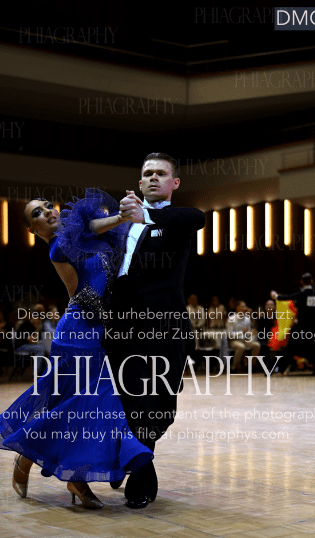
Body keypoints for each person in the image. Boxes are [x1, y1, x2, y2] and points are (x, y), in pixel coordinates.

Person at [0, 194, 153, 509]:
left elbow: (96, 231)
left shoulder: (83, 234)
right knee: (90, 404)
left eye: (47, 205)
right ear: (34, 230)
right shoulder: (59, 247)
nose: (47, 211)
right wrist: (122, 217)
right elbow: (83, 295)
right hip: (78, 333)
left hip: (95, 332)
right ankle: (51, 467)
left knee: (80, 408)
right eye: (37, 213)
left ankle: (62, 473)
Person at [104, 153, 205, 508]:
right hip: (123, 326)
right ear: (139, 181)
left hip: (165, 327)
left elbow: (198, 217)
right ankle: (140, 469)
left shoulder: (176, 221)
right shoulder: (119, 225)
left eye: (161, 173)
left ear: (174, 182)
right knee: (134, 399)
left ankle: (129, 453)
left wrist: (145, 216)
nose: (153, 178)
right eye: (147, 173)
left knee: (162, 407)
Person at [271, 272, 315, 376]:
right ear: (312, 281)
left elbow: (287, 297)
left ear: (301, 282)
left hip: (302, 327)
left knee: (290, 349)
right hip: (313, 328)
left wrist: (276, 296)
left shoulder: (301, 294)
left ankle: (277, 368)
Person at [225, 300, 260, 371]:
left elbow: (247, 334)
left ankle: (250, 366)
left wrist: (250, 333)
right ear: (237, 308)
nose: (245, 308)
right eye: (243, 306)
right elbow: (230, 335)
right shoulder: (231, 319)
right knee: (241, 347)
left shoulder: (247, 319)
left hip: (245, 340)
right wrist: (241, 332)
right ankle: (234, 366)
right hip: (234, 341)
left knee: (257, 345)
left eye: (245, 306)